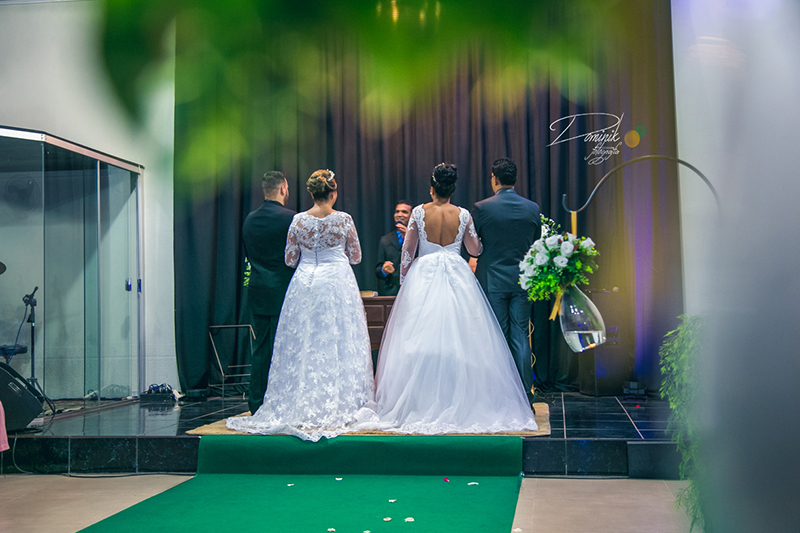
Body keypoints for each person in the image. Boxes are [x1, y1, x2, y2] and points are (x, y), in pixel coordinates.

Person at [372, 163, 537, 434]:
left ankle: (420, 400)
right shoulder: (463, 214)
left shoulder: (418, 212)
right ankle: (460, 397)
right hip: (456, 272)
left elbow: (407, 252)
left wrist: (404, 281)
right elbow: (475, 248)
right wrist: (477, 245)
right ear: (452, 189)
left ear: (432, 187)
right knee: (463, 339)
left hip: (423, 275)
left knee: (420, 338)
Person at [227, 170, 375, 441]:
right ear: (334, 192)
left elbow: (290, 258)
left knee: (302, 343)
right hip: (336, 283)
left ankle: (288, 401)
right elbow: (356, 256)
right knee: (338, 339)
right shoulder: (344, 220)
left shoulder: (296, 220)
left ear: (310, 193)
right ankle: (340, 400)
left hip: (303, 283)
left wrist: (311, 256)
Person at [471, 157, 541, 404]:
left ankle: (498, 397)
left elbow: (474, 246)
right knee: (521, 335)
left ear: (494, 178)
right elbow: (536, 244)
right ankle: (525, 396)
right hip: (523, 280)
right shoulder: (532, 208)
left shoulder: (481, 208)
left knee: (497, 336)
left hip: (493, 281)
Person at [241, 171, 295, 415]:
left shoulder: (249, 220)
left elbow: (250, 256)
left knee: (260, 350)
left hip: (258, 291)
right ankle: (283, 403)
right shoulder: (292, 219)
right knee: (287, 350)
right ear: (283, 189)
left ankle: (256, 403)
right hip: (286, 292)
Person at [374, 200, 412, 296]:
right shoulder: (385, 240)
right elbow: (378, 271)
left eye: (404, 212)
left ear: (412, 215)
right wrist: (384, 269)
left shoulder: (420, 238)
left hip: (413, 290)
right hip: (391, 292)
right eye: (397, 211)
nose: (399, 214)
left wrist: (410, 236)